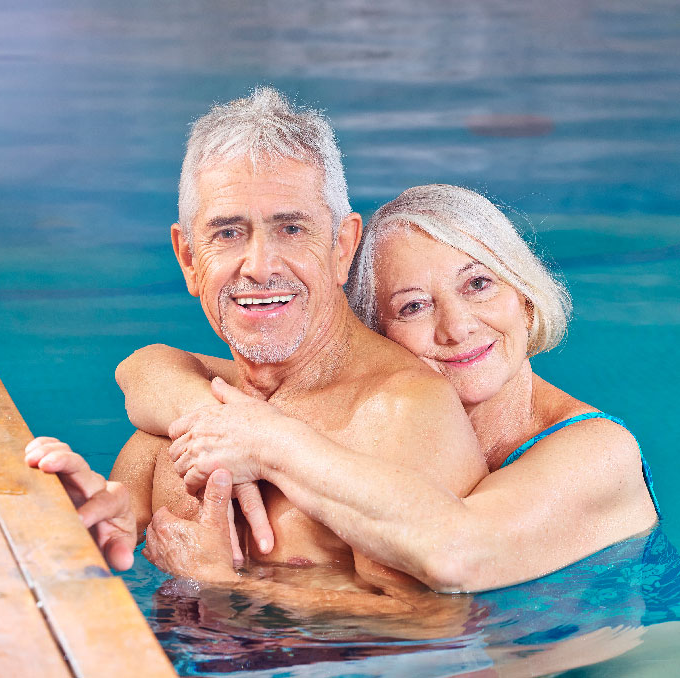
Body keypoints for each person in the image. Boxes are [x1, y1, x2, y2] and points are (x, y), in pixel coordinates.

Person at [26, 88, 487, 596]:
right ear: (188, 258)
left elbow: (442, 633)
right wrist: (84, 530)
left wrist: (227, 586)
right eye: (227, 233)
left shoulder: (399, 416)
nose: (260, 266)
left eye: (291, 228)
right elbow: (119, 546)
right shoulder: (175, 427)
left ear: (342, 247)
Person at [117, 183, 659, 592]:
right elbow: (151, 367)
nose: (457, 327)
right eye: (413, 306)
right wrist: (203, 415)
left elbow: (456, 560)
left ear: (526, 296)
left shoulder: (599, 452)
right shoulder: (397, 421)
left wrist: (229, 580)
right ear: (378, 338)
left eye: (479, 284)